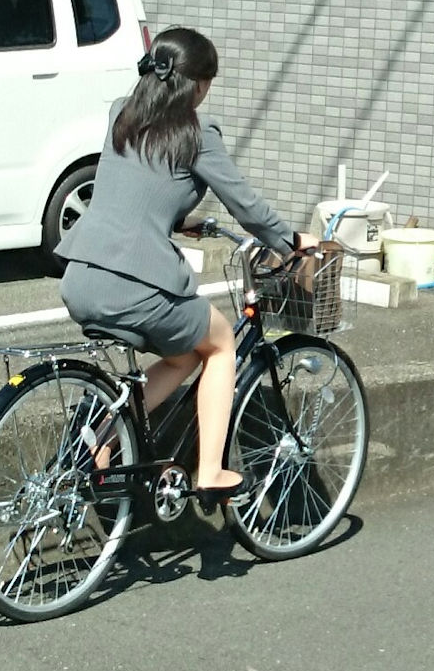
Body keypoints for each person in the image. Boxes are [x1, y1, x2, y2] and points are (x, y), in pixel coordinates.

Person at [55, 27, 319, 510]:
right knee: (218, 346)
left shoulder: (122, 114)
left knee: (180, 355)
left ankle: (99, 437)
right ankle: (212, 470)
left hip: (80, 276)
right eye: (208, 82)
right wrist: (292, 241)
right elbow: (247, 206)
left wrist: (176, 219)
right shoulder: (197, 135)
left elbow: (135, 186)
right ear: (195, 85)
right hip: (135, 286)